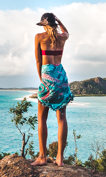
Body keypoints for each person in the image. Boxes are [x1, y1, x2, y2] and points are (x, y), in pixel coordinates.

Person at [31, 12, 74, 166]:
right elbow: (66, 32)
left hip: (47, 77)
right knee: (61, 118)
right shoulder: (62, 38)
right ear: (55, 23)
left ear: (43, 24)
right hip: (61, 77)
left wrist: (42, 79)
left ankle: (42, 156)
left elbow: (38, 60)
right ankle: (59, 159)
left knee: (42, 117)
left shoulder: (39, 37)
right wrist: (60, 21)